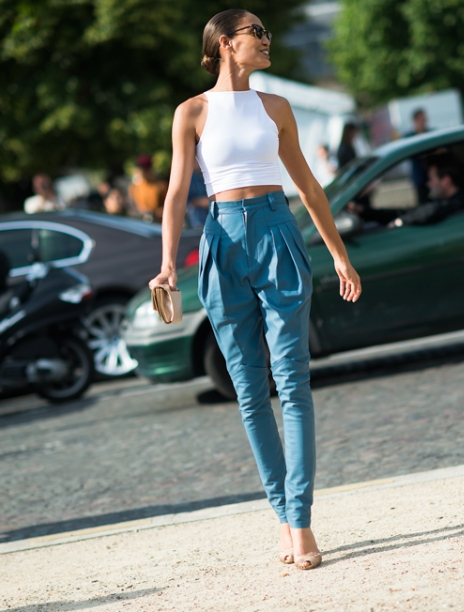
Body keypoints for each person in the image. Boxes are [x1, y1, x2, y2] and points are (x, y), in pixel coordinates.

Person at [148, 8, 361, 571]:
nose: (266, 41)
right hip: (220, 241)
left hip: (275, 230)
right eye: (256, 34)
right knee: (249, 389)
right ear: (224, 44)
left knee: (293, 381)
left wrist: (339, 254)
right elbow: (174, 194)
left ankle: (301, 523)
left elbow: (309, 186)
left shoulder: (278, 108)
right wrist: (168, 264)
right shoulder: (191, 111)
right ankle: (284, 516)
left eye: (267, 33)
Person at [395, 155, 464, 226]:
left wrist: (401, 221)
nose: (428, 184)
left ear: (446, 181)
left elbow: (433, 210)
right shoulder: (449, 201)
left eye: (431, 179)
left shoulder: (460, 203)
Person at [128, 155, 168, 222]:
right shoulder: (135, 186)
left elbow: (168, 206)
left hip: (157, 222)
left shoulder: (160, 186)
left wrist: (156, 212)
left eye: (141, 170)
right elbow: (133, 204)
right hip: (140, 221)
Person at [404, 109, 430, 204]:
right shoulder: (409, 137)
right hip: (419, 177)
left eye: (424, 119)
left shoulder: (430, 133)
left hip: (433, 176)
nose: (423, 121)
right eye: (421, 119)